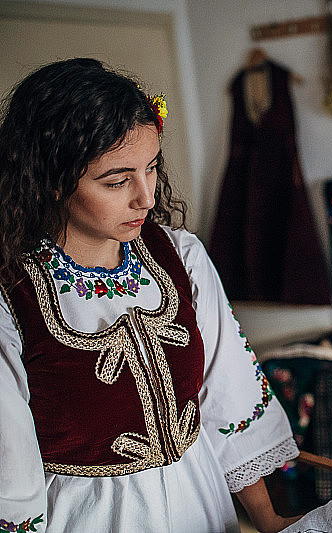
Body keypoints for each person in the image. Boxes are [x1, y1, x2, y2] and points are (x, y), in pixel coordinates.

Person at [0, 58, 302, 532]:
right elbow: (8, 466)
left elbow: (228, 393)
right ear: (52, 181)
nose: (145, 197)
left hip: (201, 505)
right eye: (117, 181)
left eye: (151, 169)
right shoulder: (10, 294)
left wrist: (268, 520)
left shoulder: (180, 256)